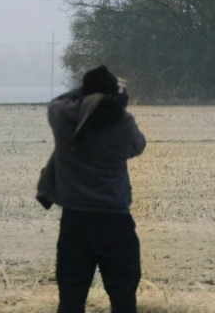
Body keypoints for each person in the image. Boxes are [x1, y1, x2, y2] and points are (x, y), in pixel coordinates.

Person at [37, 65, 147, 313]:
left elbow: (58, 100)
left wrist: (86, 90)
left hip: (75, 219)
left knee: (71, 298)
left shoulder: (61, 117)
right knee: (123, 297)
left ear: (85, 91)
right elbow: (138, 147)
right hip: (115, 219)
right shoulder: (122, 121)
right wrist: (119, 103)